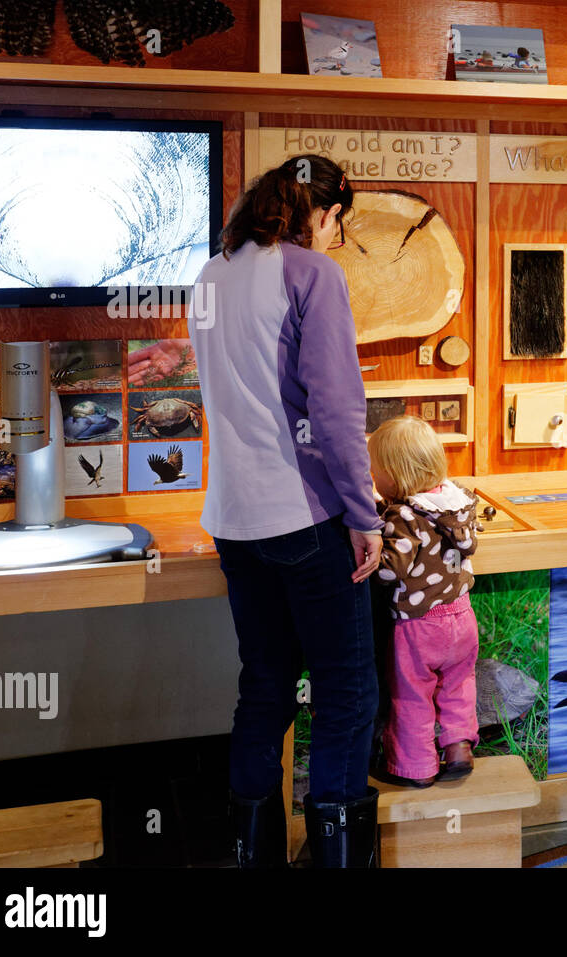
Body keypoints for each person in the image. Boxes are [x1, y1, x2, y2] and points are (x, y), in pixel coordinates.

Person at [188, 154, 384, 867]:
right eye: (339, 224)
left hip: (234, 521)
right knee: (345, 689)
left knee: (264, 684)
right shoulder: (312, 272)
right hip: (305, 520)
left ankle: (252, 859)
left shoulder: (209, 275)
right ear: (324, 213)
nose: (336, 239)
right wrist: (365, 516)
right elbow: (336, 411)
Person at [366, 415, 480, 788]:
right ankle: (458, 747)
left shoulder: (403, 516)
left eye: (374, 470)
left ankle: (417, 769)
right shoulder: (456, 504)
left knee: (412, 694)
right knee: (458, 684)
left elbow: (390, 571)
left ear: (395, 475)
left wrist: (370, 556)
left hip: (419, 624)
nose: (372, 478)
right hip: (462, 617)